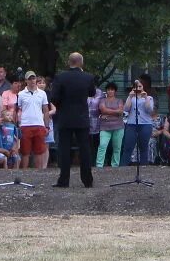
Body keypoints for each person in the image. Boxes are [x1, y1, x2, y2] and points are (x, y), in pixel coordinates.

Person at [49, 52, 98, 188]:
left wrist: (61, 106)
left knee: (64, 149)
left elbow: (54, 97)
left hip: (65, 117)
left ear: (69, 62)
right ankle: (87, 180)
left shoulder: (60, 77)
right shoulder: (88, 77)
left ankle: (64, 180)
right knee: (85, 149)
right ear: (81, 62)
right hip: (82, 118)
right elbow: (92, 93)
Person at [16, 73, 50, 172]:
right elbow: (18, 110)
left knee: (39, 151)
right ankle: (25, 171)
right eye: (29, 79)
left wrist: (47, 126)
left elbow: (46, 110)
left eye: (33, 78)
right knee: (25, 151)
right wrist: (18, 124)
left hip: (39, 124)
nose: (32, 81)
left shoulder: (42, 93)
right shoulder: (21, 94)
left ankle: (38, 172)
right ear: (26, 81)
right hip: (25, 125)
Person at [124, 77, 156, 166]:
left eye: (140, 86)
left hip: (145, 124)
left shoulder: (149, 98)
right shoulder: (131, 97)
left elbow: (149, 110)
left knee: (143, 148)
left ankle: (144, 166)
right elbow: (126, 108)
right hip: (132, 124)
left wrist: (145, 98)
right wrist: (130, 96)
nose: (138, 88)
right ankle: (122, 167)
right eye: (136, 86)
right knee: (128, 147)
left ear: (143, 87)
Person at [94, 82, 126, 168]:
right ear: (106, 91)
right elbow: (103, 110)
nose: (110, 91)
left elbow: (121, 111)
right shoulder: (102, 100)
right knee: (102, 146)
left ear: (115, 91)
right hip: (105, 127)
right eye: (108, 89)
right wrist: (115, 113)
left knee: (117, 148)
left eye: (112, 89)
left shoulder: (119, 100)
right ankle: (99, 165)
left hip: (118, 127)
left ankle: (115, 165)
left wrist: (108, 114)